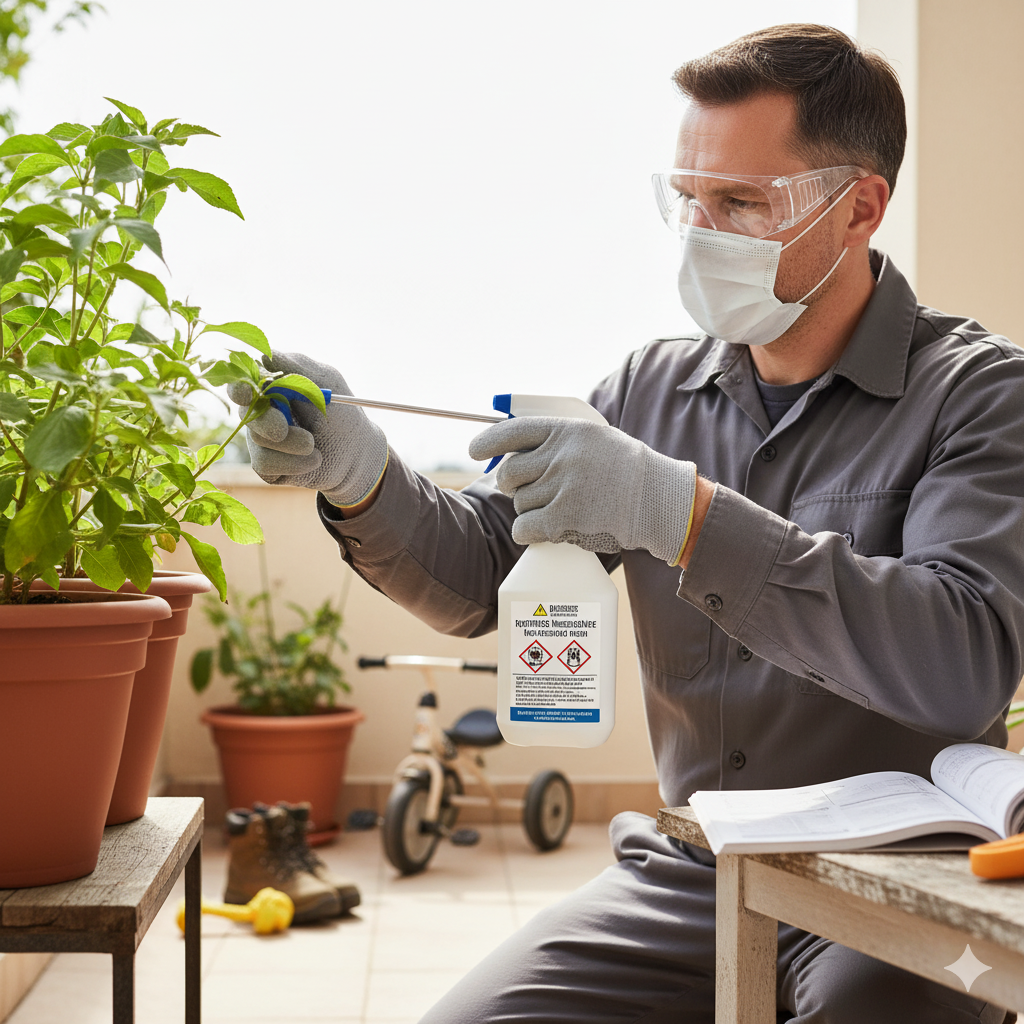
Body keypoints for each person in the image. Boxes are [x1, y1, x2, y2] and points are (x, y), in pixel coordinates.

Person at [229, 23, 1024, 1024]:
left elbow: (963, 661)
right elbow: (482, 578)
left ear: (859, 205)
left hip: (894, 884)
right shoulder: (647, 390)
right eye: (686, 198)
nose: (701, 232)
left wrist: (684, 516)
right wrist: (361, 476)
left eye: (740, 202)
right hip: (691, 876)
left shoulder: (979, 394)